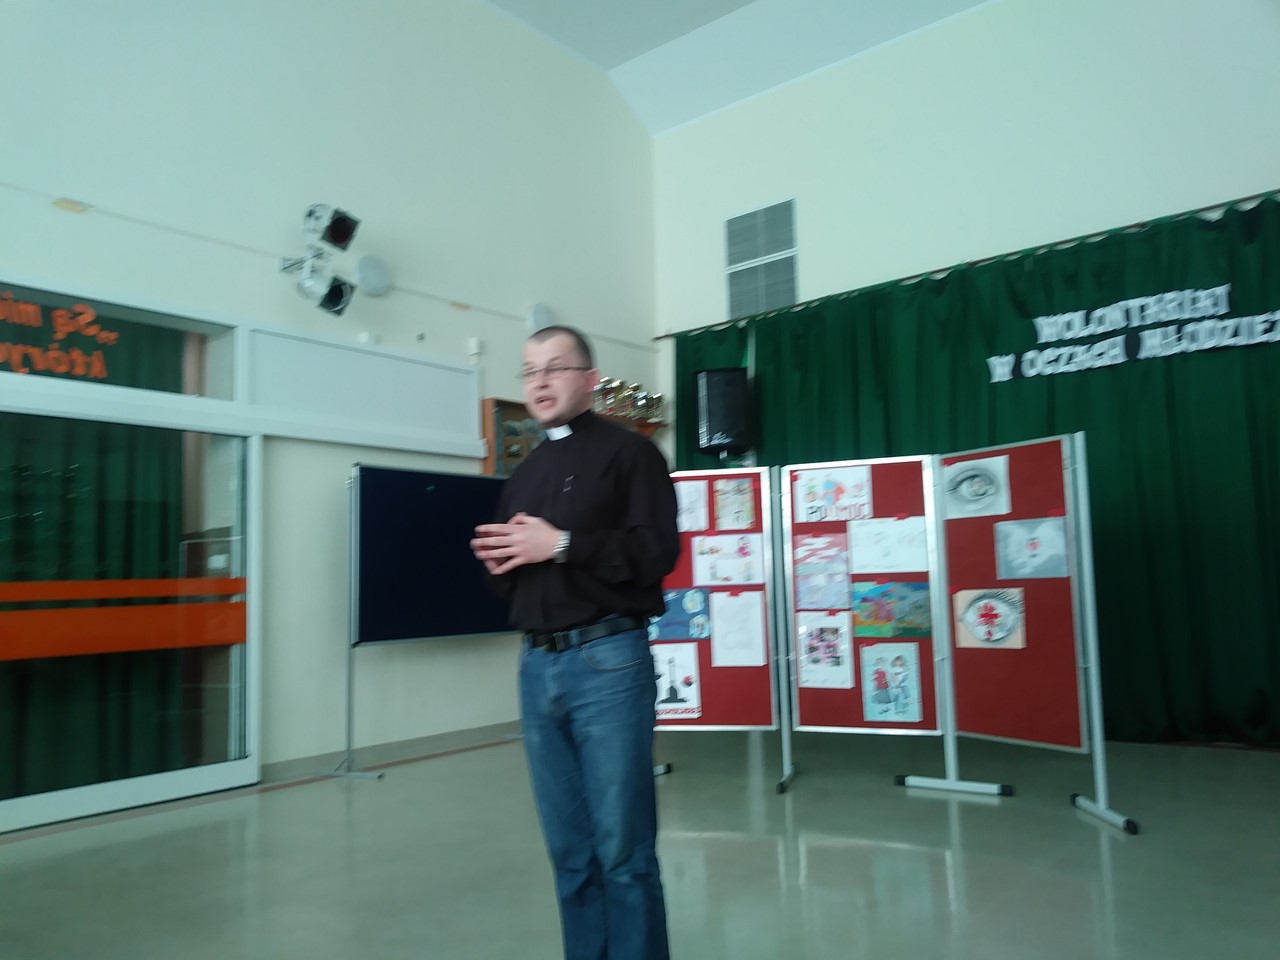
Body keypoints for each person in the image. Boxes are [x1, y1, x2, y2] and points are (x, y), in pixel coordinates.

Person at [470, 325, 679, 960]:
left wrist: (559, 544)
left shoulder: (632, 455)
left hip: (607, 663)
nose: (540, 381)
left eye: (555, 368)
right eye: (529, 370)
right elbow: (515, 581)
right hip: (537, 667)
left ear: (589, 381)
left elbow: (656, 553)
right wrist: (501, 564)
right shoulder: (524, 475)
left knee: (623, 851)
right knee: (569, 852)